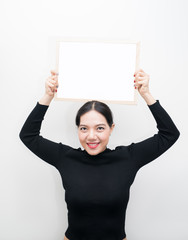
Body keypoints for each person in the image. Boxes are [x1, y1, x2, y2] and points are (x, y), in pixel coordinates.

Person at [19, 69, 180, 240]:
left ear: (111, 128)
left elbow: (169, 134)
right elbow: (28, 135)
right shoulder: (65, 157)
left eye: (100, 128)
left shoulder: (129, 158)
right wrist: (48, 96)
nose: (91, 136)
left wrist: (146, 94)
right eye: (84, 128)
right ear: (78, 130)